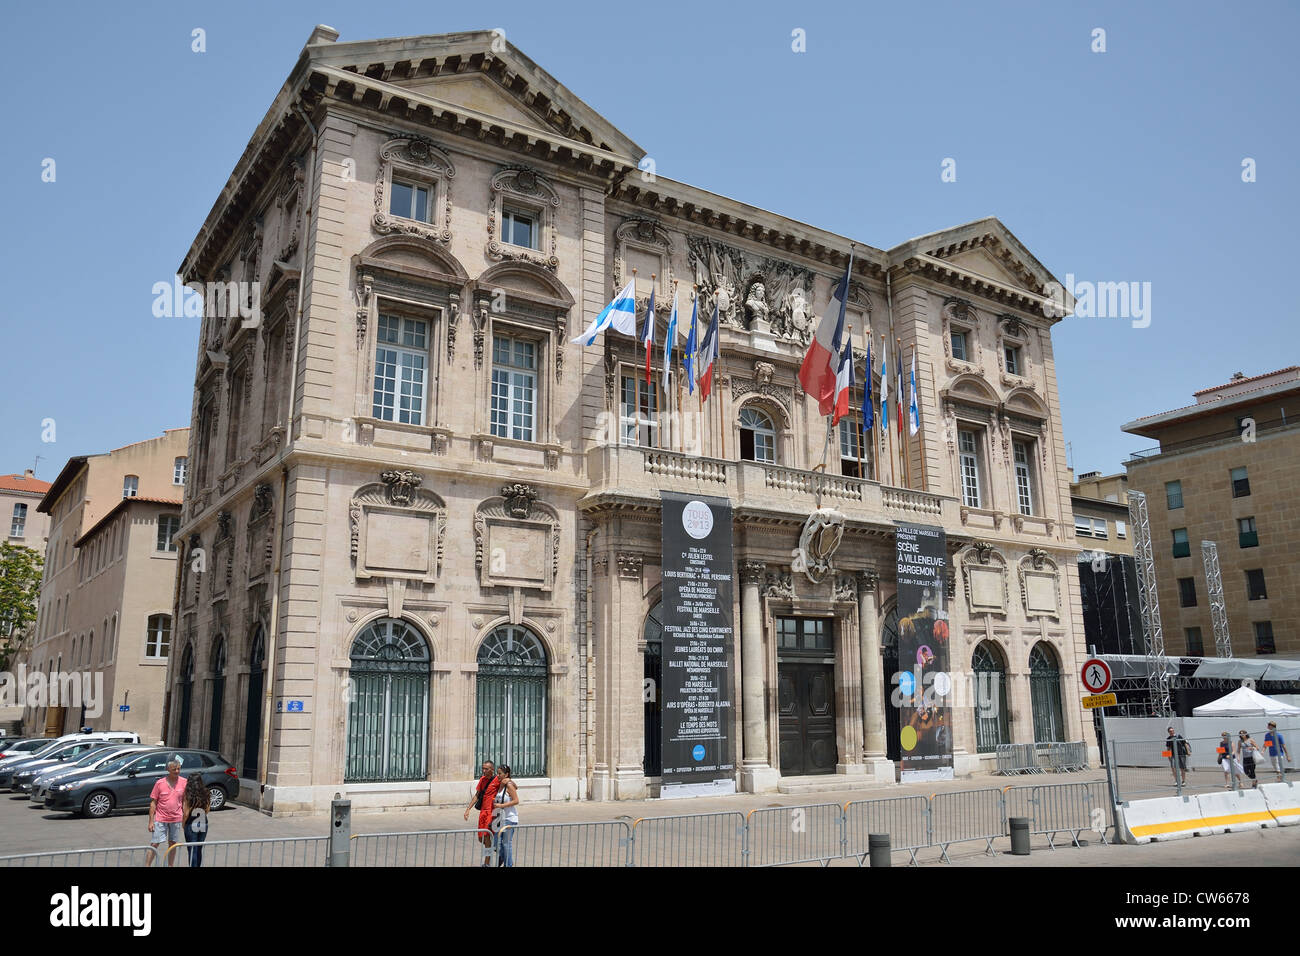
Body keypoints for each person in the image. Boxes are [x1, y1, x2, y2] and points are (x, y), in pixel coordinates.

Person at [146, 759, 187, 867]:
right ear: (168, 769)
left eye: (179, 769)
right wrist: (151, 821)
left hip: (176, 819)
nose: (177, 771)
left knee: (173, 844)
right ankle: (147, 865)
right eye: (174, 769)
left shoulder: (184, 782)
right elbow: (153, 803)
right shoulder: (160, 783)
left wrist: (185, 818)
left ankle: (170, 865)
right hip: (160, 819)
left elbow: (185, 802)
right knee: (154, 844)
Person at [463, 760, 499, 866]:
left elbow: (509, 785)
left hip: (491, 813)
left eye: (486, 769)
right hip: (483, 812)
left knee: (487, 837)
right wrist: (468, 809)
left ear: (492, 770)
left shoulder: (498, 780)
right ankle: (494, 847)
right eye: (482, 768)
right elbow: (477, 795)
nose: (483, 771)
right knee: (481, 838)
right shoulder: (482, 779)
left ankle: (486, 863)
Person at [492, 765, 520, 868]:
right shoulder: (501, 784)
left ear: (506, 774)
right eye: (497, 773)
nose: (497, 775)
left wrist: (501, 805)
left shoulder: (508, 785)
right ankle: (508, 860)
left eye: (499, 773)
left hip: (509, 818)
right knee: (496, 844)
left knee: (506, 843)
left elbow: (516, 800)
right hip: (499, 818)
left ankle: (508, 864)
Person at [183, 773, 211, 867]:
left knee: (192, 850)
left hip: (191, 823)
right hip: (203, 822)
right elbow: (207, 810)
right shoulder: (206, 792)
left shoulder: (188, 793)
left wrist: (183, 824)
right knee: (199, 849)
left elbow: (186, 812)